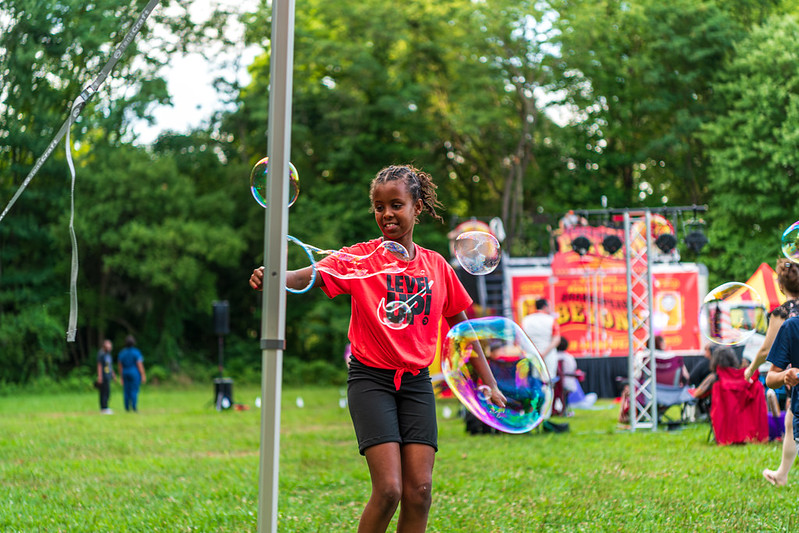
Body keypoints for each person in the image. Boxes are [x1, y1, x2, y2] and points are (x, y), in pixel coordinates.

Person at [249, 164, 506, 532]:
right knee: (388, 490)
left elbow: (462, 327)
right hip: (372, 382)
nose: (387, 214)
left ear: (417, 207)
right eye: (379, 206)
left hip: (417, 383)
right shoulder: (361, 258)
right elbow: (312, 273)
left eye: (396, 204)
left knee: (420, 490)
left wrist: (490, 382)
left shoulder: (436, 266)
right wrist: (274, 277)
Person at [751, 258, 799, 485]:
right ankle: (781, 473)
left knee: (791, 421)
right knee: (791, 421)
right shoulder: (792, 325)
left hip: (791, 379)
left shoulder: (782, 313)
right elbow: (773, 374)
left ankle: (781, 474)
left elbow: (765, 348)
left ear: (781, 286)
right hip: (791, 378)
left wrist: (750, 368)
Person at [521, 298, 561, 380]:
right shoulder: (551, 320)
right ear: (545, 307)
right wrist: (544, 353)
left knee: (534, 381)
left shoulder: (526, 320)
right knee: (548, 380)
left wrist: (534, 352)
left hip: (531, 355)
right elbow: (556, 339)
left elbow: (520, 339)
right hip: (549, 355)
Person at [117, 335, 146, 413]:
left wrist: (121, 376)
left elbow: (120, 366)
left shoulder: (122, 353)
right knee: (134, 390)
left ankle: (127, 408)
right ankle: (134, 407)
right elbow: (139, 364)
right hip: (134, 372)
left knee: (126, 390)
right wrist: (143, 374)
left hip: (125, 372)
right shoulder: (136, 352)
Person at [96, 339, 117, 414]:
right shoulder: (101, 354)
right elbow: (99, 365)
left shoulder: (108, 354)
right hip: (103, 376)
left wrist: (113, 374)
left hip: (108, 375)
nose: (109, 348)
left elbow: (109, 365)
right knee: (103, 392)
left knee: (107, 392)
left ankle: (106, 407)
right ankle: (104, 408)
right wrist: (100, 376)